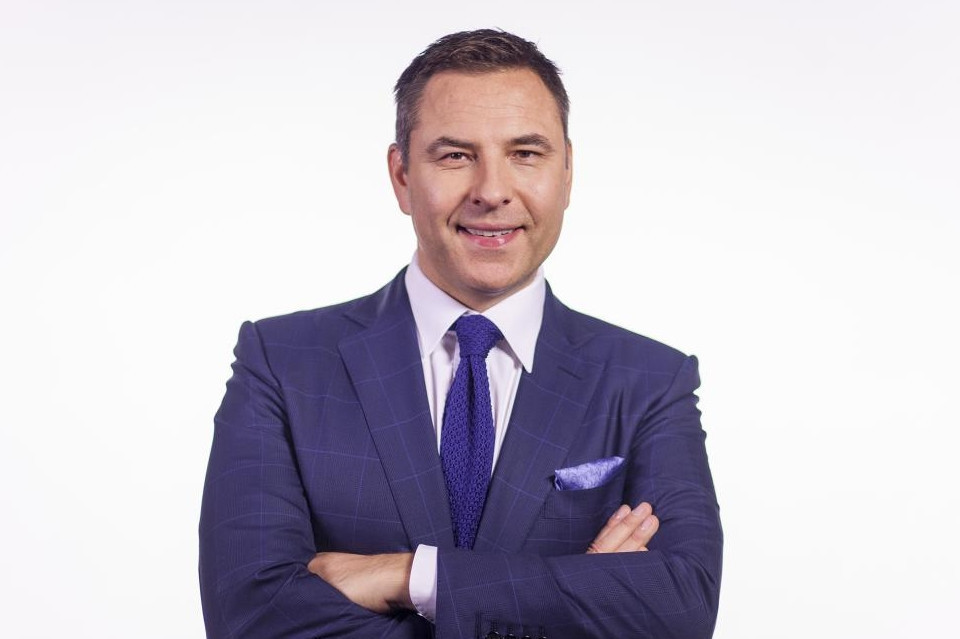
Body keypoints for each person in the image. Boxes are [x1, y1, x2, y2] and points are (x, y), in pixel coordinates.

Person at [199, 29, 722, 639]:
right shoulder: (282, 363)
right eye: (455, 156)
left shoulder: (651, 382)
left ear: (568, 172)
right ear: (401, 176)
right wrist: (575, 599)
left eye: (525, 153)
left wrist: (412, 577)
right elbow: (249, 618)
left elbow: (681, 610)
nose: (492, 192)